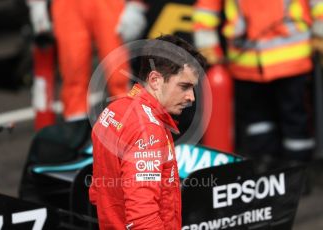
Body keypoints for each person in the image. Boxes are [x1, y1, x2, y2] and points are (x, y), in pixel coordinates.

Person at [89, 35, 207, 229]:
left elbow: (96, 192)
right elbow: (143, 220)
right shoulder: (148, 130)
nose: (191, 97)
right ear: (155, 80)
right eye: (184, 86)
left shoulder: (113, 111)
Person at [193, 0, 323, 167]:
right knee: (257, 121)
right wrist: (207, 44)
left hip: (291, 58)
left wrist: (320, 31)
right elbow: (206, 8)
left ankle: (298, 170)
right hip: (246, 60)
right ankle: (263, 167)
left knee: (295, 119)